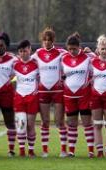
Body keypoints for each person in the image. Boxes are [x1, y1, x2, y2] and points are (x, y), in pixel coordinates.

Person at [32, 27, 67, 158]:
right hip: (43, 90)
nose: (47, 42)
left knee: (59, 121)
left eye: (49, 40)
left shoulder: (61, 52)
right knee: (45, 121)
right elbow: (23, 59)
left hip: (57, 90)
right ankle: (45, 151)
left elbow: (77, 54)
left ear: (53, 41)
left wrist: (88, 51)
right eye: (45, 40)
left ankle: (63, 150)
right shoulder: (37, 53)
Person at [61, 33, 94, 158]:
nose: (72, 51)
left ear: (79, 47)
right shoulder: (63, 58)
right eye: (69, 49)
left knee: (87, 123)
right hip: (69, 96)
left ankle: (91, 151)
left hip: (84, 96)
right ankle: (71, 151)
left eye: (74, 49)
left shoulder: (88, 56)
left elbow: (99, 67)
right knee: (72, 124)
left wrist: (90, 81)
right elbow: (61, 74)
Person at [13, 40, 40, 158]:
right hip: (19, 97)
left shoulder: (36, 64)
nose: (23, 53)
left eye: (25, 51)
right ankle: (22, 150)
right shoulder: (14, 65)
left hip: (32, 97)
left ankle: (31, 150)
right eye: (20, 51)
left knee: (30, 124)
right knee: (21, 124)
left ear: (30, 50)